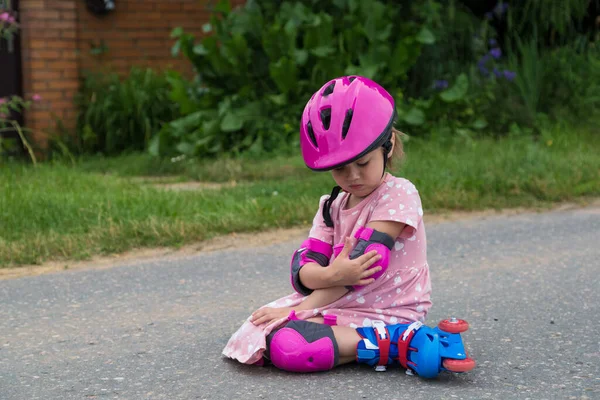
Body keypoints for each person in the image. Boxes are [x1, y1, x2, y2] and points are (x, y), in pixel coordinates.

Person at [222, 75, 433, 374]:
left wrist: (300, 306)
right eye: (340, 168)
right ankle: (385, 346)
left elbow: (361, 271)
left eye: (363, 163)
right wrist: (331, 273)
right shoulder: (330, 207)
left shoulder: (398, 194)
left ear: (389, 145)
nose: (353, 177)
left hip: (389, 311)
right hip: (342, 302)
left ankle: (400, 340)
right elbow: (304, 270)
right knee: (269, 333)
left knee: (293, 347)